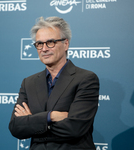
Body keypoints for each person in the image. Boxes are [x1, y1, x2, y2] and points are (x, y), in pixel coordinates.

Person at [9, 16, 99, 150]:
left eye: (50, 42)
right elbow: (16, 127)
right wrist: (51, 116)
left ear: (66, 44)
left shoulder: (86, 79)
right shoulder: (29, 83)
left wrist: (33, 122)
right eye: (39, 44)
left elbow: (74, 128)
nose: (44, 49)